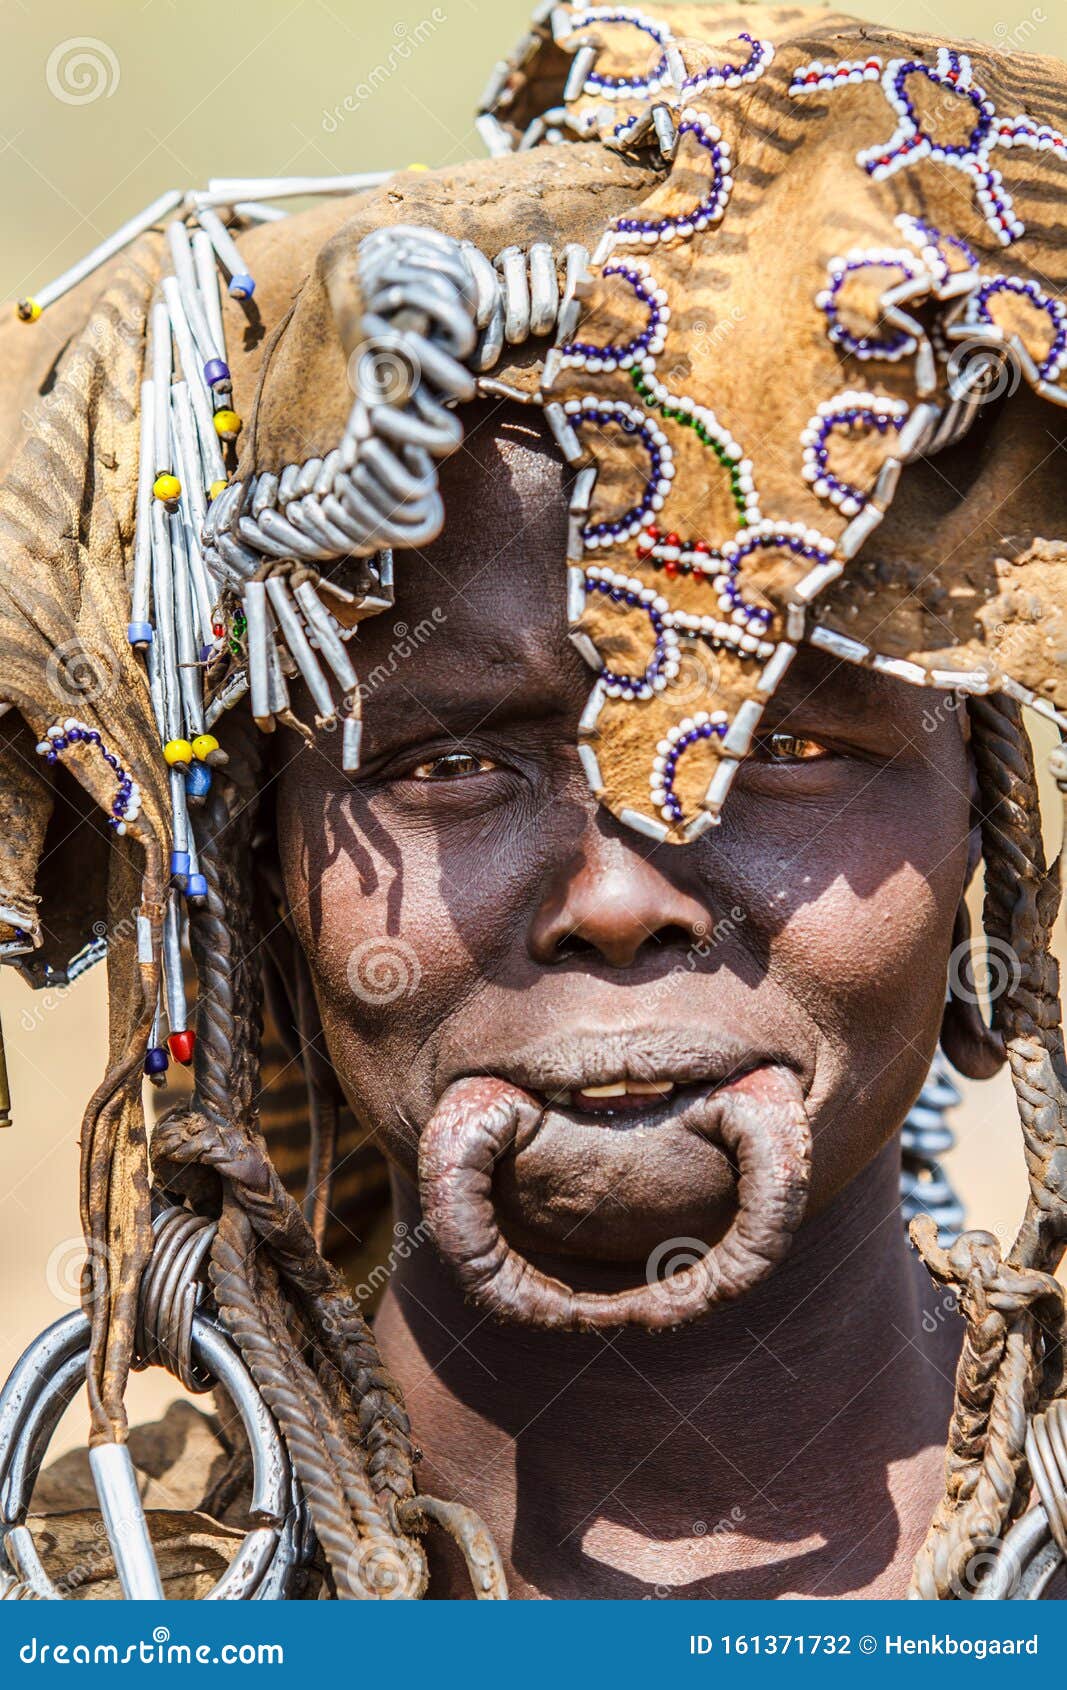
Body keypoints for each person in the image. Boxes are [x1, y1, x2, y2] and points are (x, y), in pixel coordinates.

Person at [0, 3, 1065, 1602]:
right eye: (449, 764)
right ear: (261, 891)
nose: (623, 895)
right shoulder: (83, 1607)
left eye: (787, 744)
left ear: (985, 845)